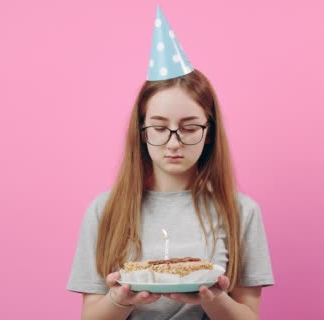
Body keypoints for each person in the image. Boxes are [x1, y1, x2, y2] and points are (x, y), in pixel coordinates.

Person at [67, 6, 274, 320]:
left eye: (189, 128)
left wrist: (213, 299)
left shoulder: (241, 211)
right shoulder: (104, 210)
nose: (174, 143)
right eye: (160, 128)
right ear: (141, 133)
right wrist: (121, 299)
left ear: (209, 133)